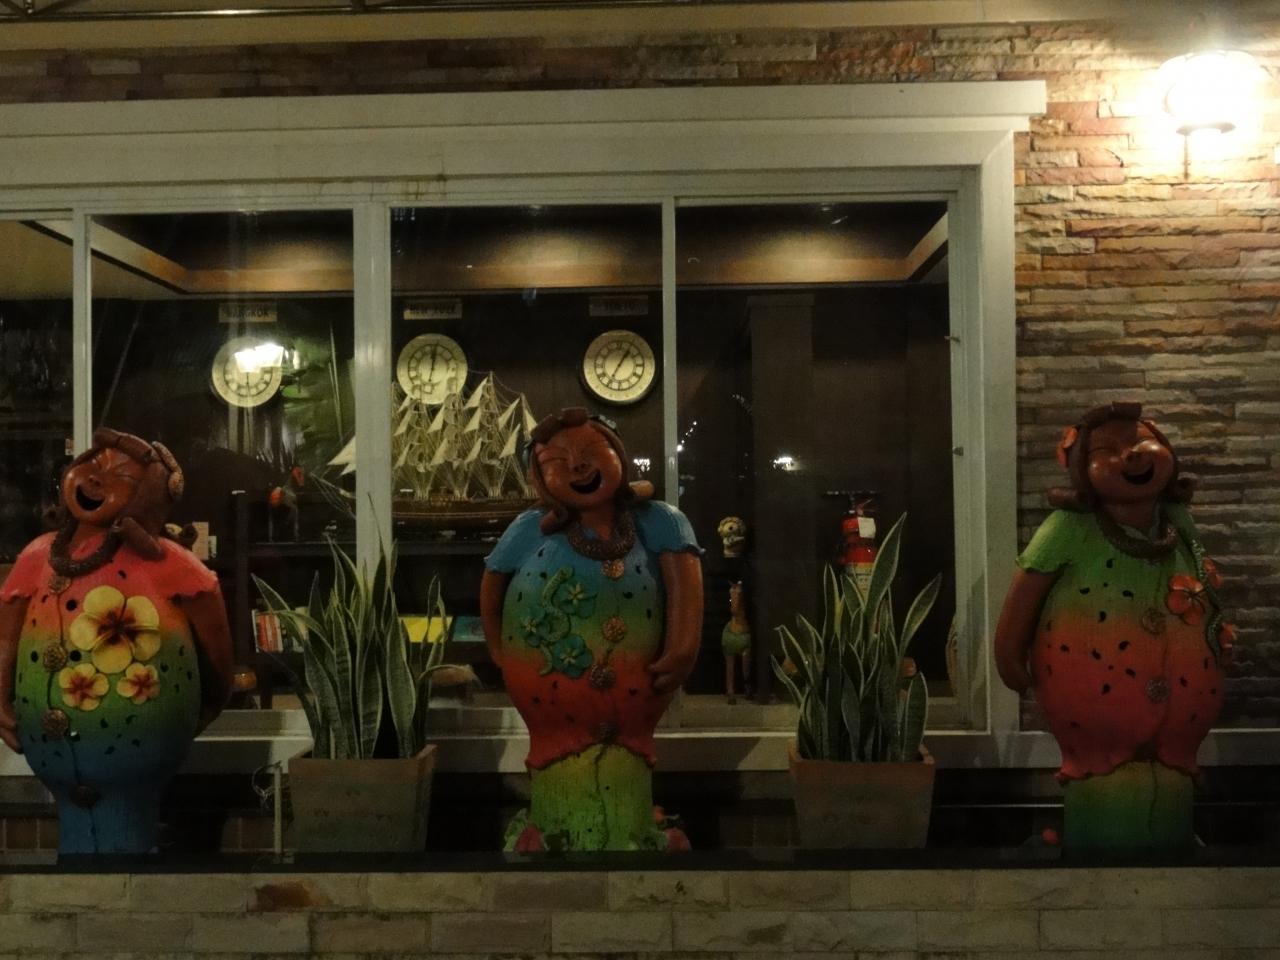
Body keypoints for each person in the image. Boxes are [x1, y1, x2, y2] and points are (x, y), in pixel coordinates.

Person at [994, 402, 1232, 848]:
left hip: (1183, 725)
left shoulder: (1177, 521)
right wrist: (1009, 656)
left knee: (1171, 809)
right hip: (1090, 722)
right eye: (1107, 450)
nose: (1132, 454)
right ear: (1081, 470)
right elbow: (1027, 588)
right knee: (1104, 813)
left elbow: (1203, 578)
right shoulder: (1068, 527)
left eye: (1141, 441)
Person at [0, 428, 233, 854]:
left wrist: (212, 698)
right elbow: (7, 630)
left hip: (149, 750)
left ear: (147, 499)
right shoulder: (38, 555)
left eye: (120, 476)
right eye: (92, 464)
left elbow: (215, 639)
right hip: (47, 750)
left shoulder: (169, 563)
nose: (94, 478)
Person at [480, 408, 702, 851]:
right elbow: (493, 580)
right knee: (562, 765)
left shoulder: (660, 520)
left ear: (618, 453)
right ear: (540, 480)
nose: (578, 466)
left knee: (625, 756)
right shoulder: (529, 528)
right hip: (546, 695)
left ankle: (633, 829)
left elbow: (685, 583)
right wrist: (499, 649)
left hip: (639, 690)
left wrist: (683, 646)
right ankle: (554, 827)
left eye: (590, 450)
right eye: (557, 461)